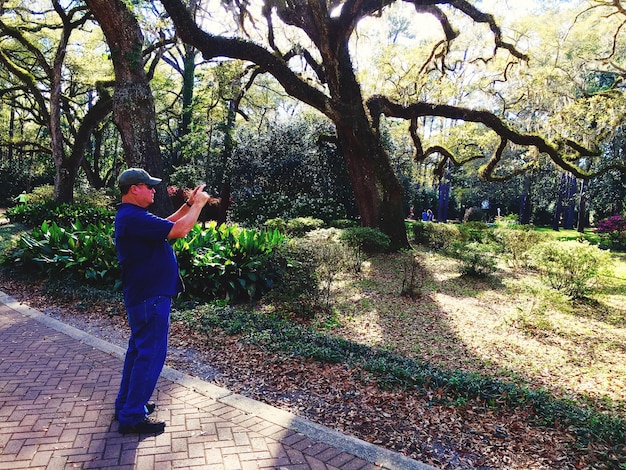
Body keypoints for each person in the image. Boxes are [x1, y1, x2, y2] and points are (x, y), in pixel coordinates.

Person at [114, 168, 210, 435]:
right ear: (134, 189)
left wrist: (189, 203)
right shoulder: (133, 217)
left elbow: (167, 223)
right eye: (149, 186)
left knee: (138, 352)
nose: (154, 190)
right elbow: (178, 230)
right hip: (150, 297)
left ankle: (127, 405)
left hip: (144, 296)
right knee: (150, 354)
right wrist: (199, 206)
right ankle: (132, 416)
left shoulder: (133, 217)